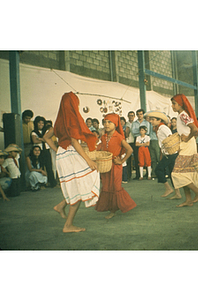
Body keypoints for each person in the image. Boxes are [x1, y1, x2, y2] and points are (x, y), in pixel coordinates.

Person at [44, 92, 100, 233]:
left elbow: (46, 137)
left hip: (62, 156)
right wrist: (88, 160)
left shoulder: (58, 122)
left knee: (74, 185)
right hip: (71, 155)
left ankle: (61, 205)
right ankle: (68, 225)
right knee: (89, 175)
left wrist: (57, 150)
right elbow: (74, 142)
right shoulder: (72, 120)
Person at [170, 94, 198, 208]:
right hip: (186, 145)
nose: (172, 106)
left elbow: (195, 129)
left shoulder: (183, 115)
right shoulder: (181, 115)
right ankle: (188, 200)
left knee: (176, 173)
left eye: (174, 103)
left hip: (188, 145)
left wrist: (187, 137)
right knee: (185, 173)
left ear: (180, 104)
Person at [95, 113, 136, 219]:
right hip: (105, 166)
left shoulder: (119, 137)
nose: (106, 124)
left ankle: (118, 208)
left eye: (109, 122)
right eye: (105, 122)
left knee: (116, 187)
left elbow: (130, 150)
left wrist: (122, 161)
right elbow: (101, 148)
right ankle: (112, 210)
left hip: (115, 166)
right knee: (107, 186)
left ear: (115, 124)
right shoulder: (103, 137)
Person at [146, 111, 181, 199]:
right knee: (171, 173)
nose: (151, 121)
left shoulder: (162, 128)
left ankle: (169, 188)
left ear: (159, 120)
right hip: (168, 153)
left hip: (170, 154)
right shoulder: (159, 128)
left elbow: (171, 137)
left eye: (153, 120)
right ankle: (177, 193)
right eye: (151, 120)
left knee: (158, 170)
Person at [31, 116, 56, 187]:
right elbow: (34, 141)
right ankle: (43, 183)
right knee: (40, 166)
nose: (41, 124)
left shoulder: (46, 131)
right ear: (36, 123)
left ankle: (52, 183)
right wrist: (44, 139)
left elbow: (47, 139)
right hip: (38, 151)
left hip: (46, 150)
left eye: (42, 123)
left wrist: (40, 139)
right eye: (39, 123)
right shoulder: (33, 132)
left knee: (49, 166)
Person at [131, 109, 150, 179]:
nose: (139, 115)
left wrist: (140, 131)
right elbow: (133, 132)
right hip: (137, 139)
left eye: (141, 114)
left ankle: (148, 174)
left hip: (145, 139)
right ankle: (138, 175)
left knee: (147, 158)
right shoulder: (134, 123)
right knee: (137, 158)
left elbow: (148, 132)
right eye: (138, 114)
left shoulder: (147, 122)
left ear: (143, 115)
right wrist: (141, 131)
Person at [125, 111, 135, 180]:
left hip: (135, 142)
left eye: (132, 115)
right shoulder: (126, 124)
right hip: (127, 142)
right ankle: (128, 175)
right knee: (127, 159)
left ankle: (138, 175)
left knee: (136, 159)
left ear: (134, 116)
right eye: (129, 115)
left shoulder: (136, 123)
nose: (131, 117)